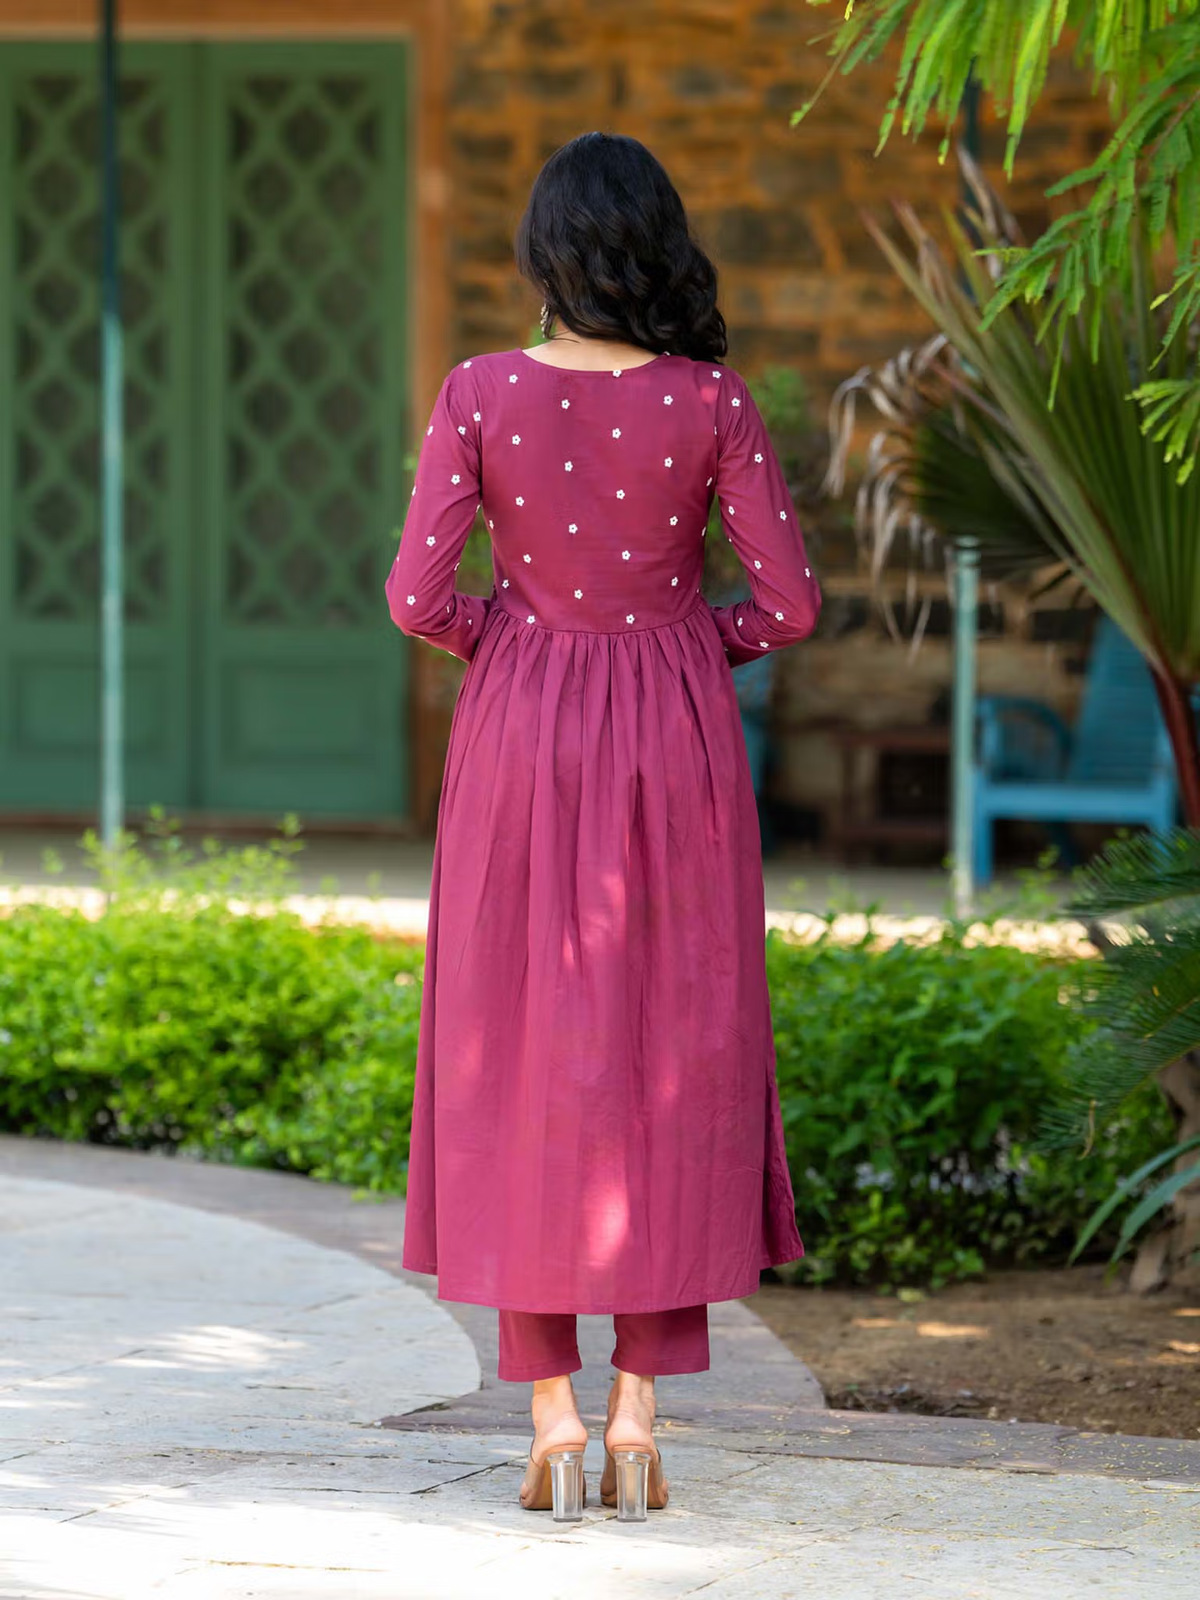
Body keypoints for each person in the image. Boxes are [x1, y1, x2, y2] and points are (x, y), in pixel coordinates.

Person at [385, 131, 821, 1523]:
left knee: (512, 1043)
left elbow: (415, 597)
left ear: (546, 260)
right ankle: (640, 1411)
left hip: (519, 734)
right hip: (673, 738)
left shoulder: (477, 392)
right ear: (658, 248)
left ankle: (551, 1412)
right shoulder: (712, 402)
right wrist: (694, 649)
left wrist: (509, 642)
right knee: (671, 1040)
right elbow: (791, 604)